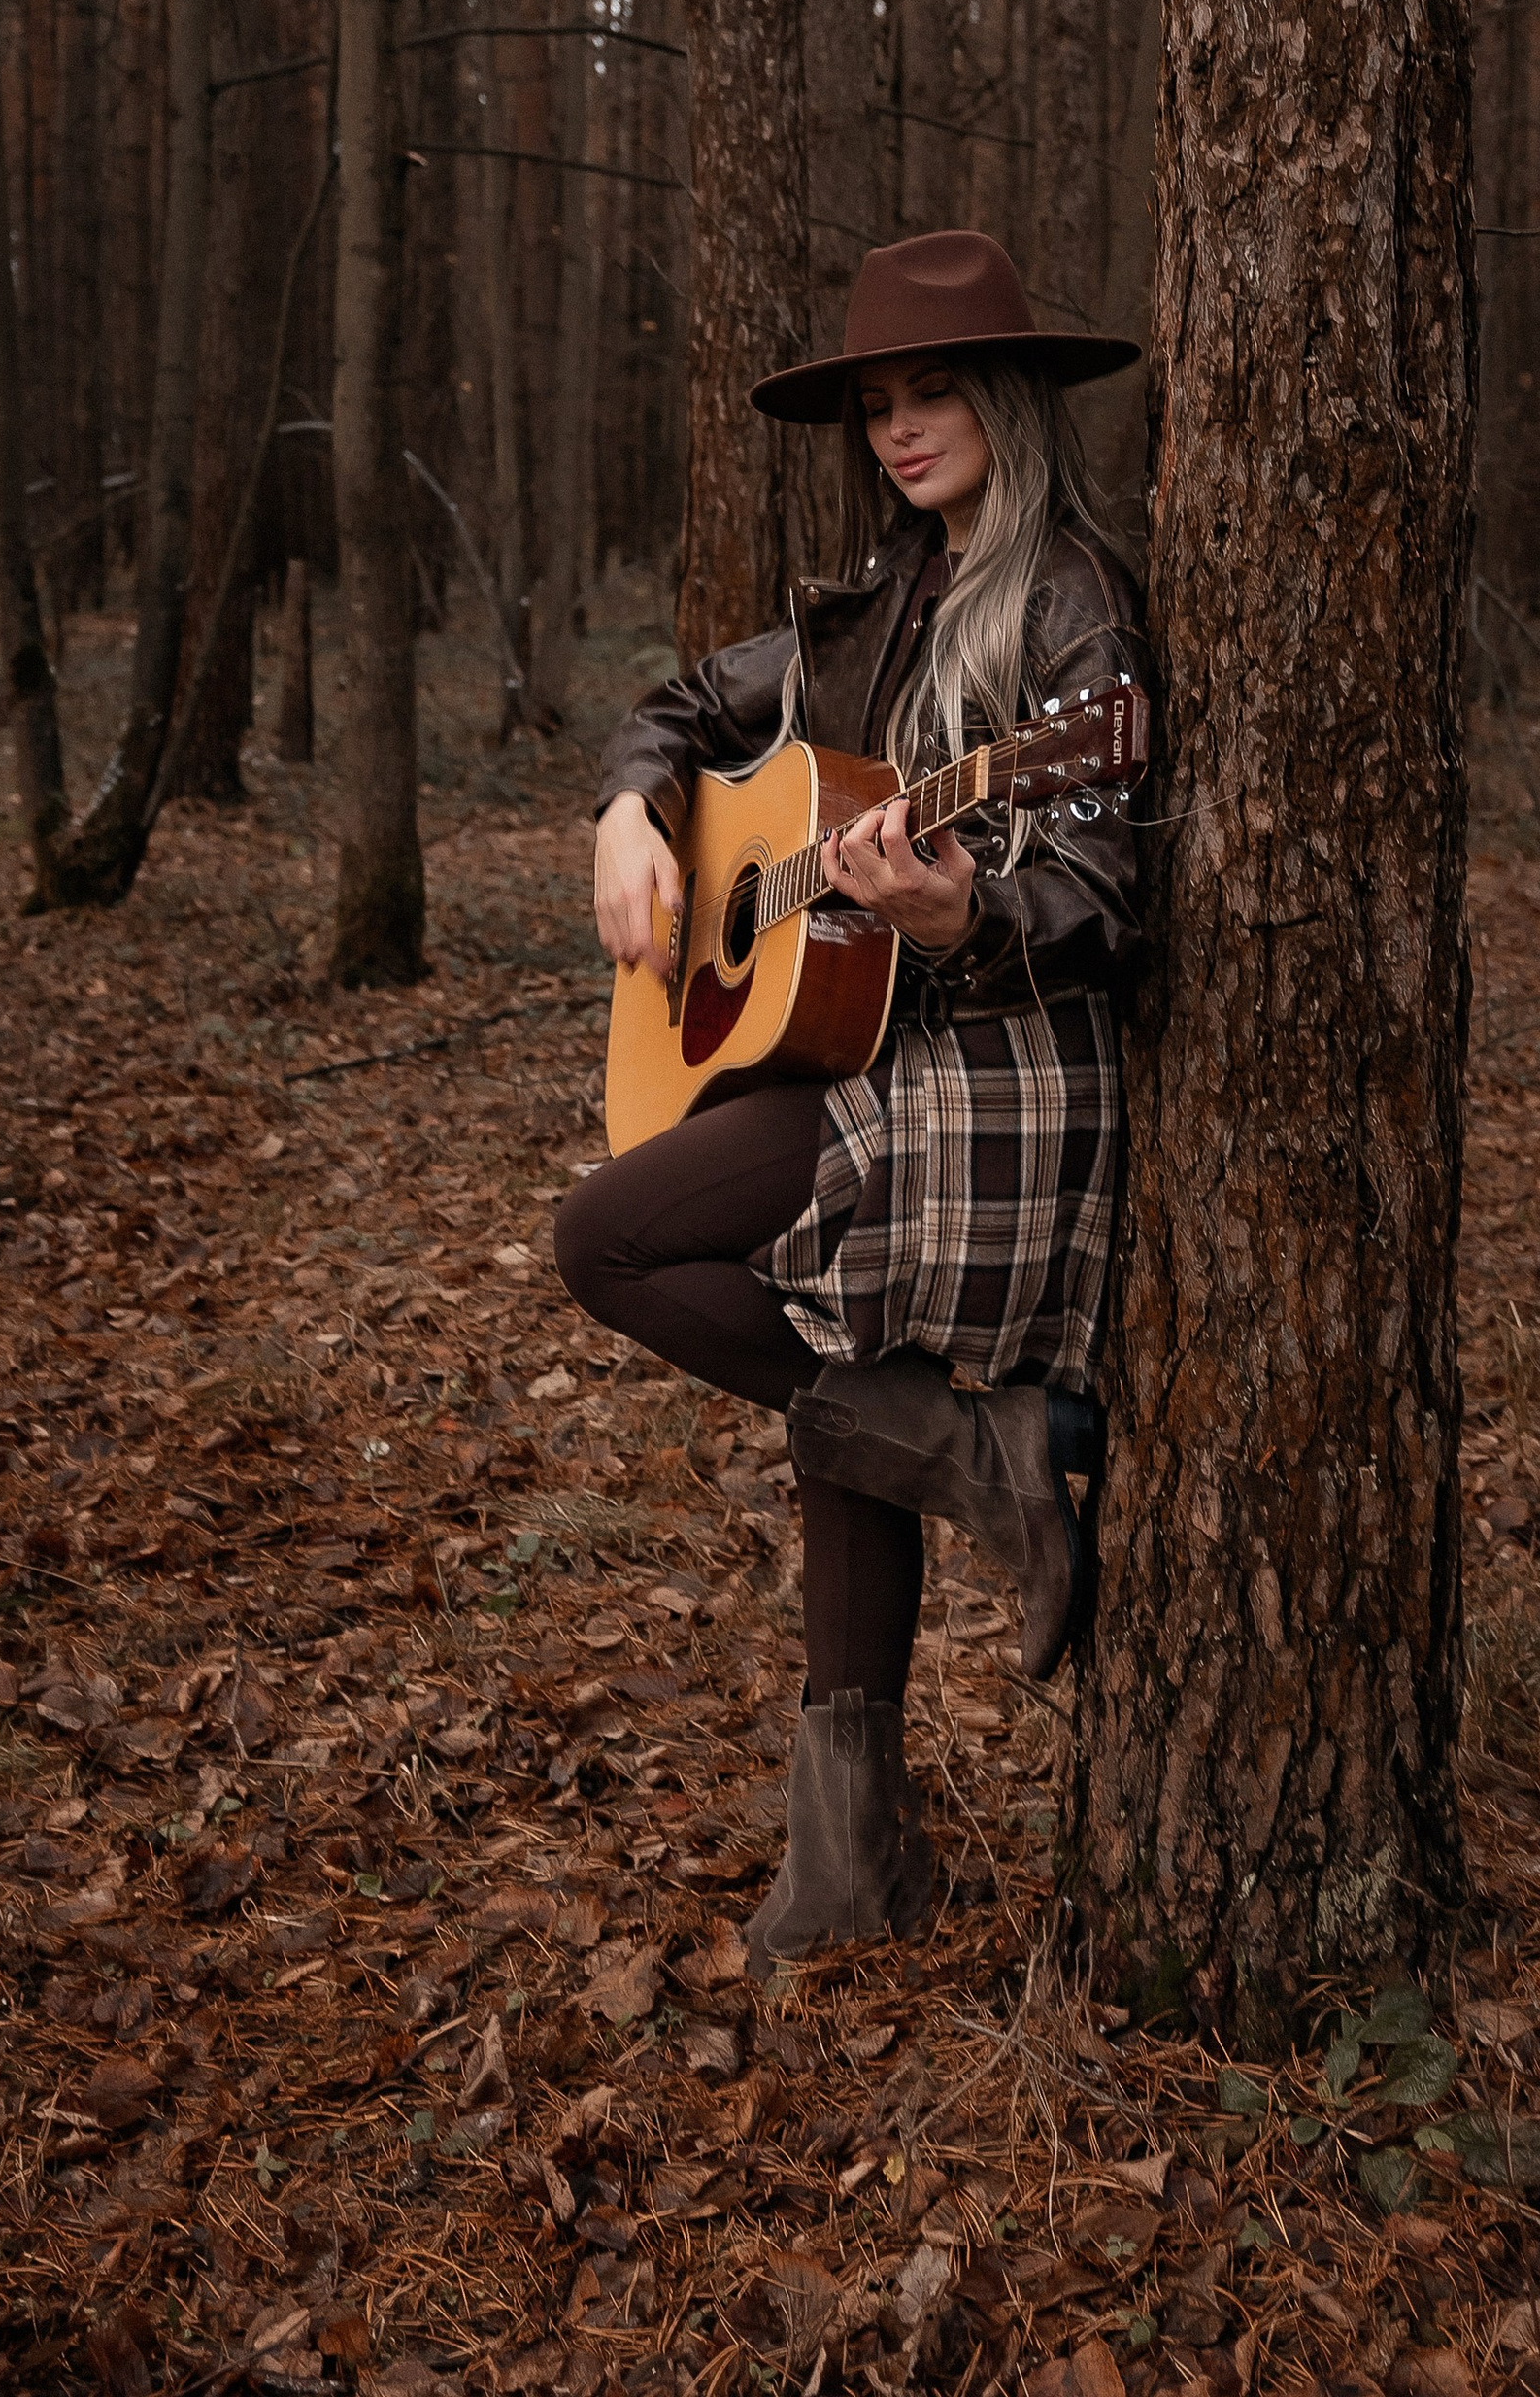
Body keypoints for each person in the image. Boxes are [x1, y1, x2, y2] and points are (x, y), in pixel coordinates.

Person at [552, 228, 1149, 1978]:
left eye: (935, 391)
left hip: (1008, 1059)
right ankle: (855, 1866)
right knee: (847, 1370)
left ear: (1011, 399)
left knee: (610, 1235)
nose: (900, 428)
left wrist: (965, 911)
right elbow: (674, 707)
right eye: (877, 403)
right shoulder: (863, 607)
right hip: (872, 1045)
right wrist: (627, 811)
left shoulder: (1071, 608)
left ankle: (975, 1450)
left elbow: (1108, 894)